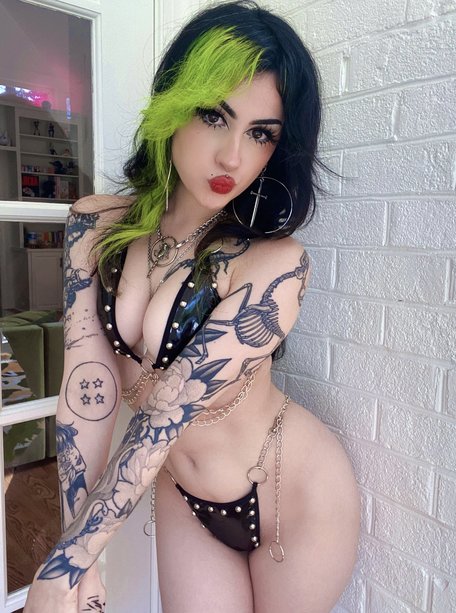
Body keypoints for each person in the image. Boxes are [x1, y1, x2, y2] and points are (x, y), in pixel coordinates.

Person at [25, 2, 360, 611]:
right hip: (182, 491)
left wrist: (68, 561)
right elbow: (87, 390)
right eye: (214, 116)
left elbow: (163, 417)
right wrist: (81, 558)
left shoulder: (275, 263)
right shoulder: (94, 227)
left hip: (293, 492)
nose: (233, 157)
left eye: (261, 133)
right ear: (173, 104)